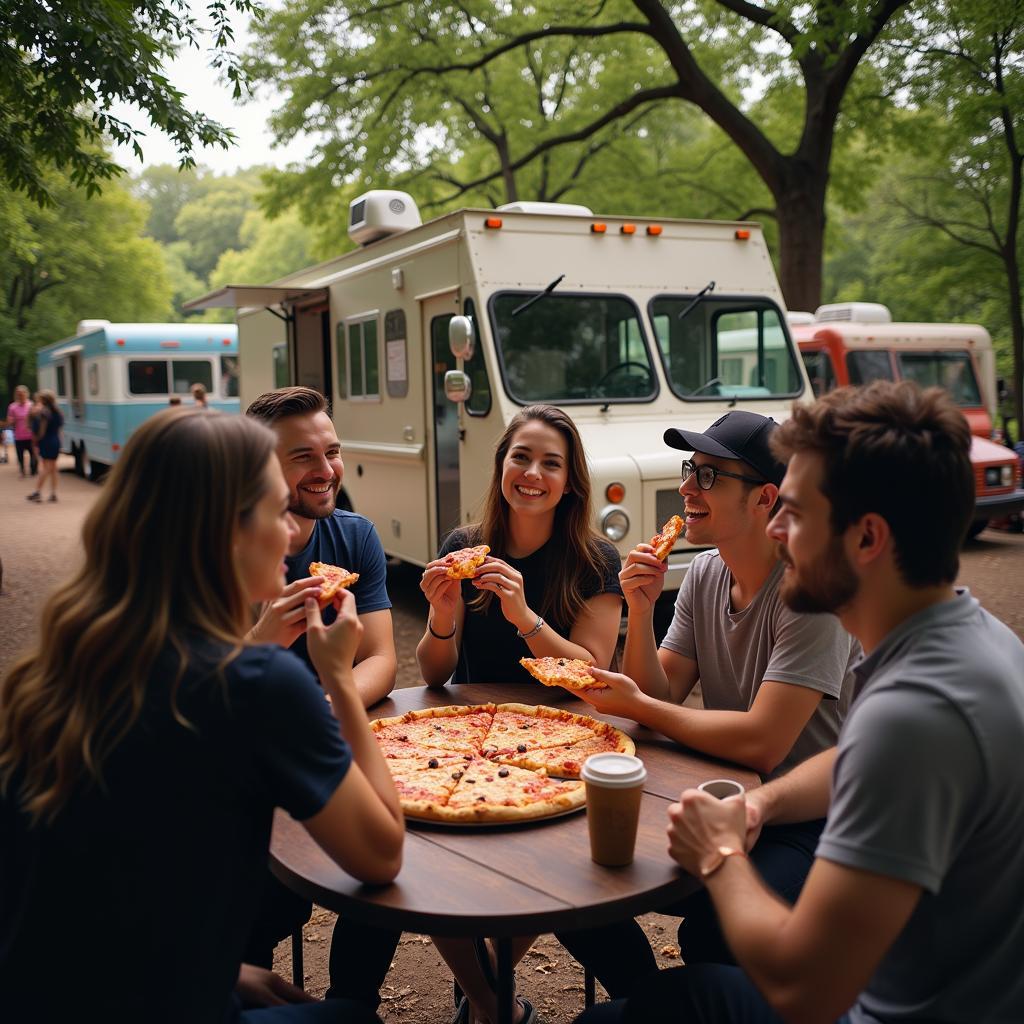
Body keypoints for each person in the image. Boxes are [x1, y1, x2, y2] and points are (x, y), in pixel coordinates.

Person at [575, 381, 1024, 1024]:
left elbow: (804, 987)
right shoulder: (966, 642)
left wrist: (721, 855)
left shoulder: (919, 710)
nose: (778, 529)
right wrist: (762, 802)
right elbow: (853, 761)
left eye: (795, 512)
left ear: (867, 538)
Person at [0, 408, 404, 1022]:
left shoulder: (52, 670)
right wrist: (341, 681)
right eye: (275, 512)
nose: (293, 536)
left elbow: (79, 890)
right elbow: (381, 856)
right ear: (224, 534)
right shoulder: (258, 685)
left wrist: (221, 969)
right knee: (353, 1017)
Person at [559, 410, 858, 996]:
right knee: (575, 882)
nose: (688, 488)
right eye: (689, 470)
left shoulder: (811, 593)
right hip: (720, 796)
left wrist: (641, 707)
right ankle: (641, 999)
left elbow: (764, 740)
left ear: (765, 499)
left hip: (807, 820)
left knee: (710, 933)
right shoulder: (702, 573)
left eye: (710, 476)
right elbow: (659, 691)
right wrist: (640, 612)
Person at [415, 403, 624, 1024]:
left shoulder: (595, 560)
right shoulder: (464, 547)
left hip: (562, 744)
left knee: (554, 871)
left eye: (551, 464)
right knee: (432, 877)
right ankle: (494, 1007)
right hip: (463, 748)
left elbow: (590, 677)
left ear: (570, 481)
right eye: (521, 457)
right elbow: (431, 673)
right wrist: (442, 614)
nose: (533, 474)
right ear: (502, 465)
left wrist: (526, 617)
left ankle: (482, 998)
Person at [244, 386, 399, 1004]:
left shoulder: (353, 535)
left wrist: (325, 707)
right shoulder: (221, 567)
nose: (327, 470)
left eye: (332, 452)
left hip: (311, 745)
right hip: (262, 780)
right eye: (302, 457)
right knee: (265, 900)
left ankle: (350, 1002)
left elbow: (384, 658)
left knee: (379, 898)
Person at [26, 389, 63, 503]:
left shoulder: (44, 413)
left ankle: (37, 492)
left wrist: (36, 440)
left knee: (46, 468)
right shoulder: (58, 412)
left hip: (46, 441)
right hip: (55, 440)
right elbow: (60, 429)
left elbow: (42, 430)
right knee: (53, 468)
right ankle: (53, 493)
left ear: (43, 400)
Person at [5, 384, 37, 476]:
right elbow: (9, 420)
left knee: (33, 454)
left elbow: (36, 419)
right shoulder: (12, 407)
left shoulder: (31, 405)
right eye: (18, 393)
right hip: (19, 436)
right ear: (16, 395)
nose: (21, 395)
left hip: (31, 435)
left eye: (22, 393)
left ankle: (33, 470)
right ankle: (22, 470)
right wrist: (11, 421)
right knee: (20, 455)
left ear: (27, 394)